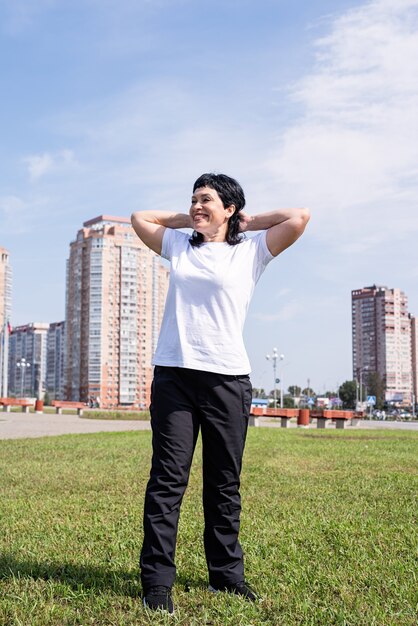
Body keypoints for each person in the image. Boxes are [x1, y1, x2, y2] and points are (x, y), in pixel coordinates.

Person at [131, 173, 310, 613]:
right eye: (192, 199)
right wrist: (193, 219)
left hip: (228, 380)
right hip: (175, 376)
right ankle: (157, 584)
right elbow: (140, 217)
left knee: (223, 484)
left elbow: (298, 216)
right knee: (167, 482)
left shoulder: (251, 251)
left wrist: (241, 222)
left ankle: (227, 577)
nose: (195, 204)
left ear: (229, 208)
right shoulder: (179, 245)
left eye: (205, 199)